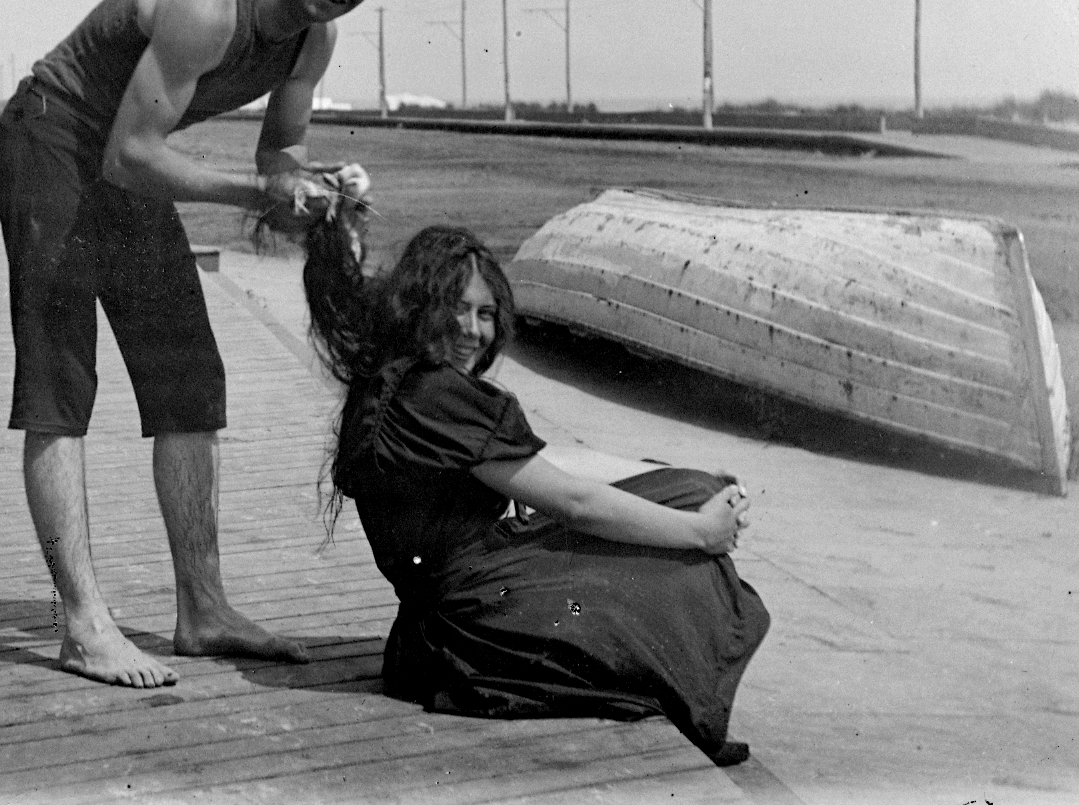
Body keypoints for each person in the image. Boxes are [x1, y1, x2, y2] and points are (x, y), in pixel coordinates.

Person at [0, 0, 401, 688]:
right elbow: (132, 156)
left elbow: (274, 163)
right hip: (53, 141)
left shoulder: (310, 43)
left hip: (123, 162)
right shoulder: (208, 5)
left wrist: (320, 190)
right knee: (59, 387)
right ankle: (82, 626)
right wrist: (261, 196)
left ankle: (203, 612)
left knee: (188, 382)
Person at [297, 209, 770, 765]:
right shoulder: (433, 394)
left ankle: (687, 693)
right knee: (679, 563)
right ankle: (694, 715)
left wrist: (668, 473)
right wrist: (701, 532)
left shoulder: (395, 381)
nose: (473, 331)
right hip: (476, 620)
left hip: (453, 610)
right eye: (456, 308)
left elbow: (544, 462)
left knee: (686, 487)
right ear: (420, 306)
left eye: (485, 314)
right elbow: (574, 502)